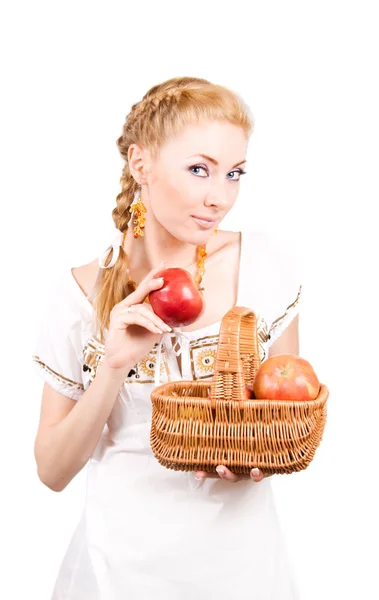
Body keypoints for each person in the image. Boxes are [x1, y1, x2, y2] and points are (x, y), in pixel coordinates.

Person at [32, 76, 302, 599]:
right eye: (199, 169)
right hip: (116, 570)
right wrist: (113, 367)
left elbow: (283, 415)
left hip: (240, 568)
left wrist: (254, 462)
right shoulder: (78, 294)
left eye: (234, 174)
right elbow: (52, 470)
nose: (219, 197)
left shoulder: (265, 267)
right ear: (141, 165)